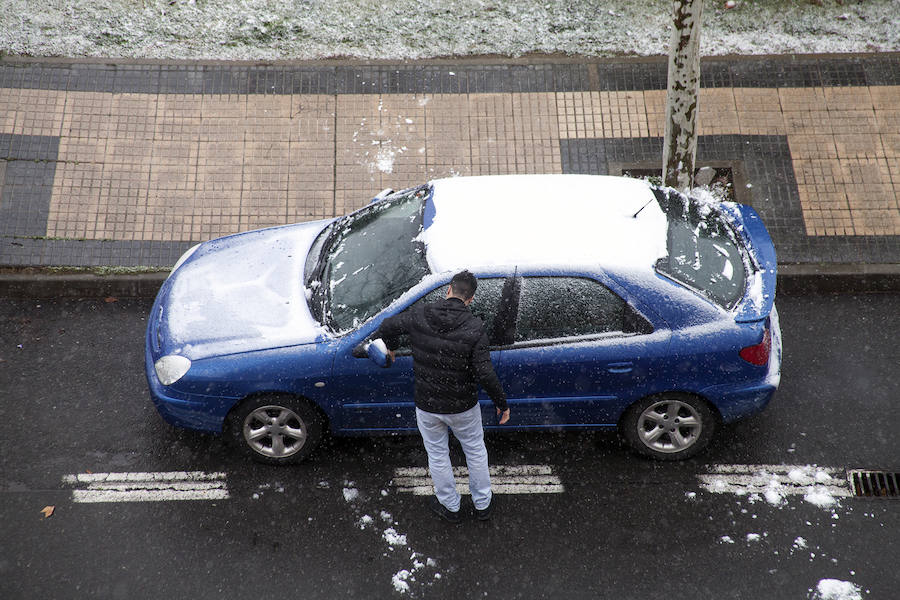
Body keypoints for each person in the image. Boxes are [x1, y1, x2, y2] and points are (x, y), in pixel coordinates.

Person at [375, 270, 510, 523]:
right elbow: (485, 372)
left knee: (437, 454)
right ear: (470, 299)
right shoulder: (475, 328)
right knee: (475, 452)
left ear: (449, 289)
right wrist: (502, 404)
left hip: (428, 406)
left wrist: (391, 347)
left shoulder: (420, 315)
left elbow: (386, 326)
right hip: (463, 408)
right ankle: (483, 505)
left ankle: (450, 506)